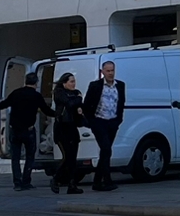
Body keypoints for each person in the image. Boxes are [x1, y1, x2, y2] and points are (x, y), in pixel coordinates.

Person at [0, 70, 45, 188]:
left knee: (15, 157)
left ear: (25, 81)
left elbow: (2, 105)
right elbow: (46, 110)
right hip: (29, 130)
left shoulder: (16, 93)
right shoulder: (36, 96)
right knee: (30, 156)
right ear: (36, 83)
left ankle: (17, 182)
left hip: (15, 130)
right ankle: (26, 181)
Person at [81, 61, 126, 190]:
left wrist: (118, 120)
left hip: (112, 121)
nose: (110, 73)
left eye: (112, 70)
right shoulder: (95, 86)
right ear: (103, 72)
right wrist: (91, 121)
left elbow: (121, 103)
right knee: (106, 149)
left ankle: (97, 181)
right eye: (108, 71)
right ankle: (107, 180)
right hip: (99, 121)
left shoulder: (120, 85)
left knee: (105, 152)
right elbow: (87, 104)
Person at [50, 73, 86, 195]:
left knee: (73, 158)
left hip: (72, 127)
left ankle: (72, 184)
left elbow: (78, 107)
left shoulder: (75, 93)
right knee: (67, 156)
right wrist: (78, 99)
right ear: (64, 83)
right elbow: (70, 103)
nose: (73, 84)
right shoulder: (59, 93)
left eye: (74, 81)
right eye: (71, 81)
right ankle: (56, 178)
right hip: (62, 128)